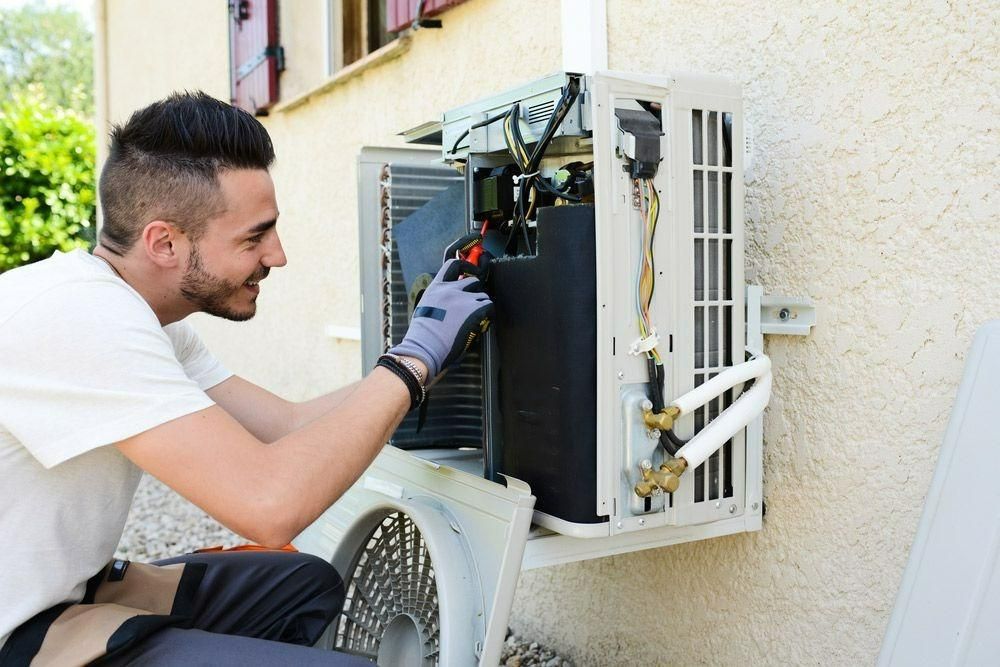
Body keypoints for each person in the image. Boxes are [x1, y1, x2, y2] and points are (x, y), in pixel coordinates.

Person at [0, 92, 492, 665]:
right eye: (254, 237)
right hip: (19, 635)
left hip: (62, 597)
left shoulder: (136, 313)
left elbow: (285, 427)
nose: (277, 256)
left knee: (302, 586)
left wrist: (429, 354)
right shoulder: (80, 319)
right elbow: (269, 504)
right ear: (165, 243)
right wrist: (411, 363)